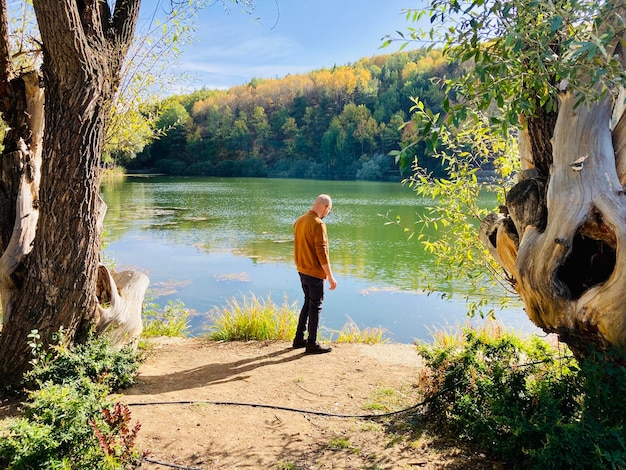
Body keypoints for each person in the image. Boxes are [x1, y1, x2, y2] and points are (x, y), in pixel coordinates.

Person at [292, 194, 337, 354]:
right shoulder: (318, 224)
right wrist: (330, 276)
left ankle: (298, 339)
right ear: (325, 207)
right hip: (314, 272)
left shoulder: (299, 221)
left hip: (301, 270)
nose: (327, 213)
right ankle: (312, 343)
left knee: (307, 303)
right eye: (329, 210)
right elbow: (322, 252)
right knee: (316, 306)